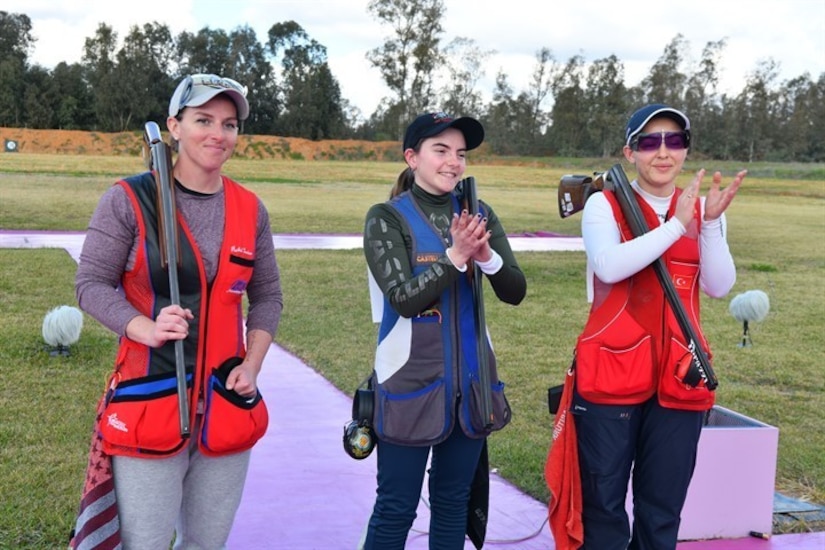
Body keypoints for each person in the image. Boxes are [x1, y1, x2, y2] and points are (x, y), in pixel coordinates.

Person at [72, 73, 283, 549]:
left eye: (229, 124)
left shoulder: (251, 209)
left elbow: (267, 296)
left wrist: (252, 364)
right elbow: (90, 283)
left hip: (225, 406)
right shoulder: (128, 200)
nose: (217, 134)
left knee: (206, 544)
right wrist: (143, 327)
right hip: (151, 399)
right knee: (144, 543)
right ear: (175, 126)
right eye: (203, 119)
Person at [565, 104, 746, 549]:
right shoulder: (602, 205)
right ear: (630, 152)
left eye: (674, 141)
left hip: (680, 378)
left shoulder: (700, 209)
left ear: (685, 150)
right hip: (611, 375)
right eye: (649, 142)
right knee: (603, 511)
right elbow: (608, 267)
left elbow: (719, 286)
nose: (662, 152)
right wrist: (678, 225)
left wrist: (712, 222)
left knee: (661, 511)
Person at [360, 112, 527, 549]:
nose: (453, 162)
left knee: (453, 502)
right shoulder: (386, 218)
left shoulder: (479, 213)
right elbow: (404, 298)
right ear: (412, 157)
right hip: (408, 383)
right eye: (441, 150)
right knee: (396, 507)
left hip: (473, 385)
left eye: (461, 153)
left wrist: (486, 257)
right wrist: (456, 257)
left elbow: (515, 291)